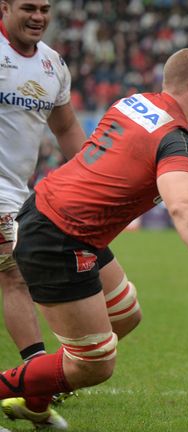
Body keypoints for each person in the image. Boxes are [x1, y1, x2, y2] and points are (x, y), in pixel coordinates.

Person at [0, 48, 188, 426]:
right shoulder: (176, 139)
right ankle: (15, 391)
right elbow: (183, 205)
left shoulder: (133, 102)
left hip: (64, 221)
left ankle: (33, 401)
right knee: (96, 364)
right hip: (58, 235)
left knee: (126, 315)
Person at [0, 0, 142, 428]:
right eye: (28, 7)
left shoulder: (51, 64)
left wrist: (94, 186)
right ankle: (32, 383)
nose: (39, 16)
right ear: (5, 6)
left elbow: (64, 128)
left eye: (45, 8)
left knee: (127, 313)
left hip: (34, 197)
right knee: (13, 274)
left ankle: (38, 387)